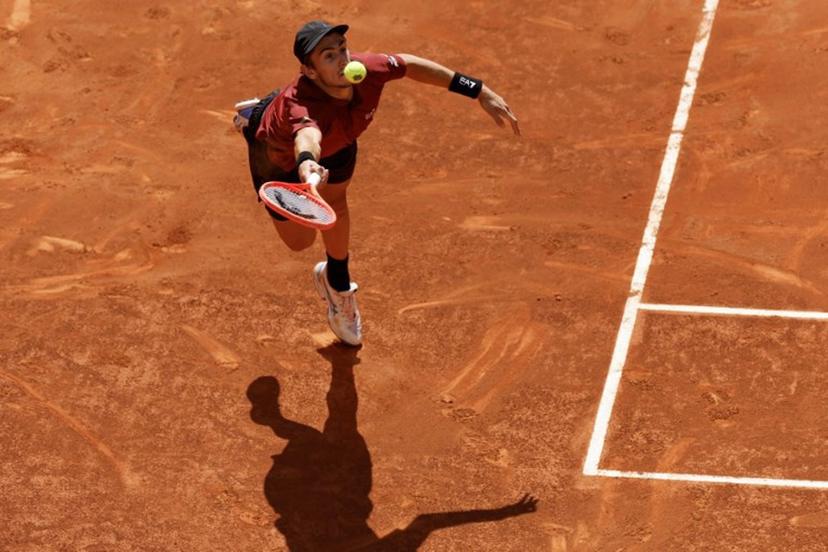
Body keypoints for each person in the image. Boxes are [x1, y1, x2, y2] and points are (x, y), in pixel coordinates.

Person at [235, 20, 520, 346]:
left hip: (340, 140)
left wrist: (478, 90)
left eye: (342, 48)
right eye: (329, 56)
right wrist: (307, 162)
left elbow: (410, 64)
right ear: (309, 71)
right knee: (300, 242)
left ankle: (338, 285)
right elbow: (308, 136)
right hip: (279, 157)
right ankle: (257, 116)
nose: (343, 59)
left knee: (337, 204)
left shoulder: (366, 69)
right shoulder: (302, 107)